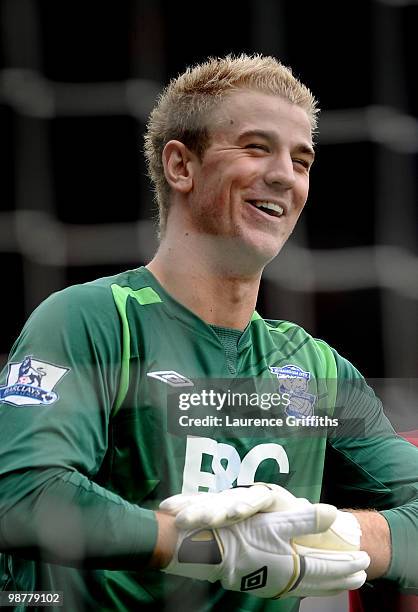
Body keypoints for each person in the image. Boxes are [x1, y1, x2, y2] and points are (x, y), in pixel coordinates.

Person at [0, 54, 417, 612]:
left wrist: (322, 533)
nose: (284, 175)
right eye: (255, 147)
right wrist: (207, 547)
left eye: (301, 159)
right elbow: (21, 495)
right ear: (181, 166)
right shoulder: (94, 320)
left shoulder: (316, 370)